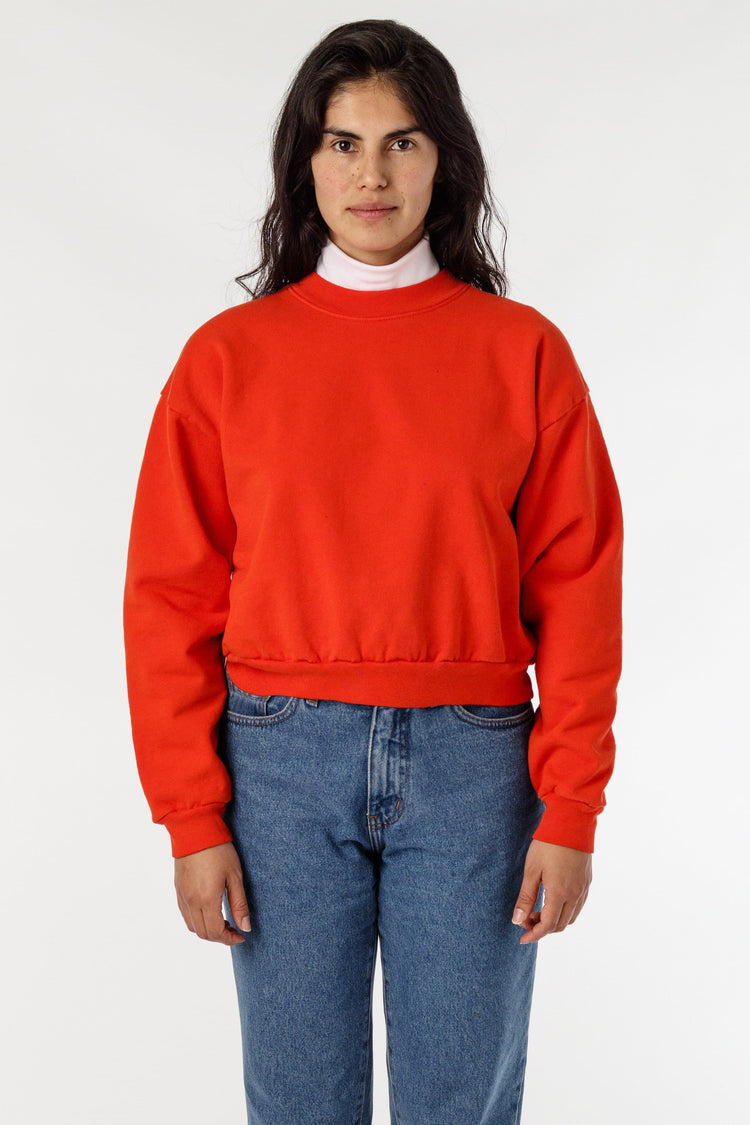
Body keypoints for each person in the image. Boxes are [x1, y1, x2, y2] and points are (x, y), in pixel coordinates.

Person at [123, 18, 623, 1125]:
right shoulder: (228, 360)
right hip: (278, 765)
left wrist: (572, 807)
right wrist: (192, 817)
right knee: (299, 1102)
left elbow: (580, 588)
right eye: (343, 143)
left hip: (476, 766)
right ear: (306, 162)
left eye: (402, 143)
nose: (372, 174)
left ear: (444, 159)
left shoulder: (522, 352)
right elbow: (169, 597)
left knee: (461, 1102)